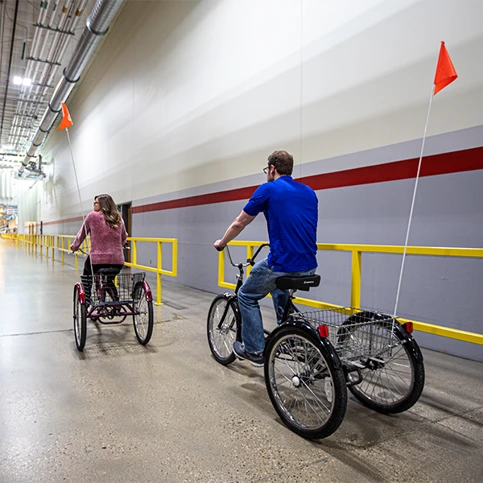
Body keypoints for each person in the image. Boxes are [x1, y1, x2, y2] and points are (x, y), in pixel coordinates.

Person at [214, 150, 318, 366]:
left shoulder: (268, 189)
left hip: (282, 263)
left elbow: (239, 223)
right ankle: (286, 335)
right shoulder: (309, 192)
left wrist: (222, 243)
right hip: (309, 266)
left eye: (266, 170)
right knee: (277, 288)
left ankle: (254, 349)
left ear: (272, 169)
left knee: (246, 295)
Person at [71, 194, 128, 302]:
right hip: (117, 261)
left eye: (96, 202)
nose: (94, 204)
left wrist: (74, 246)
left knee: (87, 274)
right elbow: (124, 236)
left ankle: (86, 299)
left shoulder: (92, 216)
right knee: (108, 280)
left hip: (97, 261)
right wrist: (123, 243)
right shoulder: (118, 218)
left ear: (103, 204)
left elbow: (81, 234)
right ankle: (116, 302)